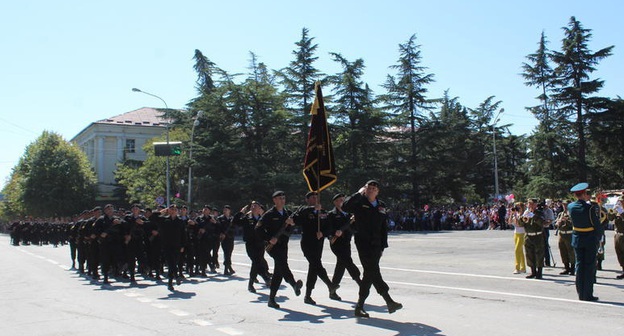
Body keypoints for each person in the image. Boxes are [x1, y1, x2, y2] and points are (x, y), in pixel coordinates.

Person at [342, 180, 402, 318]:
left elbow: (383, 228)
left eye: (374, 188)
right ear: (365, 189)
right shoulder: (359, 202)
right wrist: (358, 193)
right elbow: (345, 206)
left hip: (376, 243)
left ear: (378, 191)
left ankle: (360, 306)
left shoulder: (381, 206)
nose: (372, 190)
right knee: (372, 271)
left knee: (369, 273)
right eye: (369, 188)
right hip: (363, 242)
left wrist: (383, 246)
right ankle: (388, 300)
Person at [255, 191, 303, 309]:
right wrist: (269, 238)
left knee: (278, 272)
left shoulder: (288, 213)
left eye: (283, 198)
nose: (282, 200)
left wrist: (292, 224)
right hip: (273, 246)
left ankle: (271, 299)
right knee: (282, 263)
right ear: (274, 200)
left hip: (283, 245)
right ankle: (293, 284)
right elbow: (258, 229)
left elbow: (296, 225)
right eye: (280, 198)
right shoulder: (269, 214)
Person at [293, 191, 339, 305]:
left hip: (318, 243)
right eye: (313, 198)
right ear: (307, 200)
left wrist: (323, 233)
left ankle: (308, 295)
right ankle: (329, 284)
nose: (315, 199)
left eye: (316, 197)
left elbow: (329, 227)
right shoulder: (304, 211)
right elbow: (297, 220)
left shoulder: (323, 213)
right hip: (307, 243)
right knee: (316, 264)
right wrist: (312, 209)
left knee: (313, 268)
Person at [568, 182, 603, 301]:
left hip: (577, 238)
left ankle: (580, 293)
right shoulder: (590, 208)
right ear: (583, 194)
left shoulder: (570, 206)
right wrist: (599, 238)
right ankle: (587, 294)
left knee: (579, 266)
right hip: (589, 239)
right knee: (589, 267)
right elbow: (597, 225)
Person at [327, 193, 362, 300]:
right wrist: (333, 233)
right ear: (335, 202)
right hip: (336, 243)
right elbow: (328, 228)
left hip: (346, 243)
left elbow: (353, 229)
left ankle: (332, 290)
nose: (342, 202)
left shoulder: (348, 215)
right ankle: (360, 281)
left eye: (343, 200)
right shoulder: (331, 214)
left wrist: (352, 225)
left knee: (341, 266)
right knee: (347, 261)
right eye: (340, 200)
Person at [234, 201, 271, 293]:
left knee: (256, 263)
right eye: (252, 206)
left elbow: (269, 229)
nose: (253, 207)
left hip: (260, 244)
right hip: (250, 244)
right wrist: (241, 212)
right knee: (256, 261)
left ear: (260, 209)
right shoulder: (247, 218)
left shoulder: (263, 219)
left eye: (256, 206)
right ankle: (264, 278)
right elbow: (235, 222)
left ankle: (252, 283)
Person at [156, 205, 187, 291]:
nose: (173, 211)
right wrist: (161, 211)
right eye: (171, 209)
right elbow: (152, 217)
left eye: (175, 210)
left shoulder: (180, 221)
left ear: (177, 211)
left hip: (177, 246)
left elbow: (184, 235)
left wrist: (183, 246)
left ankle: (170, 282)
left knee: (173, 264)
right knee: (171, 263)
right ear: (168, 210)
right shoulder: (164, 220)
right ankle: (176, 277)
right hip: (166, 245)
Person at [522, 198, 545, 279]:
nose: (530, 205)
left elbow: (542, 223)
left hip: (537, 236)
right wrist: (521, 217)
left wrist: (534, 216)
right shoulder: (526, 213)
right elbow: (521, 224)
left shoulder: (540, 213)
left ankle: (539, 272)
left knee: (539, 254)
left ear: (535, 205)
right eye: (529, 204)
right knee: (529, 254)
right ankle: (533, 272)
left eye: (532, 204)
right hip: (528, 236)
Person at [555, 201, 575, 275]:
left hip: (569, 234)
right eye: (563, 205)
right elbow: (556, 223)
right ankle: (566, 267)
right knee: (563, 251)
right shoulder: (561, 214)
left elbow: (573, 224)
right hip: (561, 234)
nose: (564, 206)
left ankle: (572, 268)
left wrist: (567, 220)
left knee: (571, 252)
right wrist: (558, 223)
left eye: (566, 205)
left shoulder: (572, 213)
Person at [218, 205, 236, 276]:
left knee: (229, 253)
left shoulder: (232, 218)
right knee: (226, 253)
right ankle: (226, 269)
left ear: (229, 211)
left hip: (230, 237)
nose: (225, 211)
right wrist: (221, 234)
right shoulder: (220, 218)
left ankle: (229, 267)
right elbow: (219, 227)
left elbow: (234, 227)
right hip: (224, 238)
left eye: (226, 210)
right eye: (224, 209)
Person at [509, 202, 526, 274]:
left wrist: (515, 215)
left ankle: (517, 267)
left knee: (517, 250)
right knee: (520, 251)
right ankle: (523, 267)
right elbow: (510, 222)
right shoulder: (517, 214)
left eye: (518, 207)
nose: (517, 208)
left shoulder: (524, 215)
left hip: (522, 233)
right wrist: (511, 214)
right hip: (516, 233)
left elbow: (519, 224)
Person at [609, 197, 624, 279]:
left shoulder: (621, 211)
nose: (620, 203)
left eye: (622, 201)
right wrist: (612, 212)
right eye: (620, 201)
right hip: (618, 235)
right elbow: (610, 219)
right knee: (619, 253)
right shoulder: (618, 211)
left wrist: (621, 212)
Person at [542, 199, 555, 267]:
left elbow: (551, 220)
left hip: (545, 228)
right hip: (539, 229)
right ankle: (541, 261)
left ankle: (547, 262)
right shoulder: (540, 210)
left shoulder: (549, 211)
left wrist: (545, 223)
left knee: (545, 245)